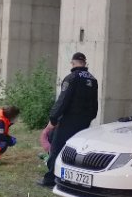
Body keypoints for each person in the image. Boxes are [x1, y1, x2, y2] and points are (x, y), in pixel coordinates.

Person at [38, 52, 98, 187]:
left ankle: (50, 179)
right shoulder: (93, 80)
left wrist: (53, 119)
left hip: (69, 120)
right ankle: (72, 178)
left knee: (57, 148)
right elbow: (94, 104)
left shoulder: (71, 78)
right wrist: (90, 117)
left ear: (73, 63)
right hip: (84, 121)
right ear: (85, 63)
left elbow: (63, 100)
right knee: (76, 149)